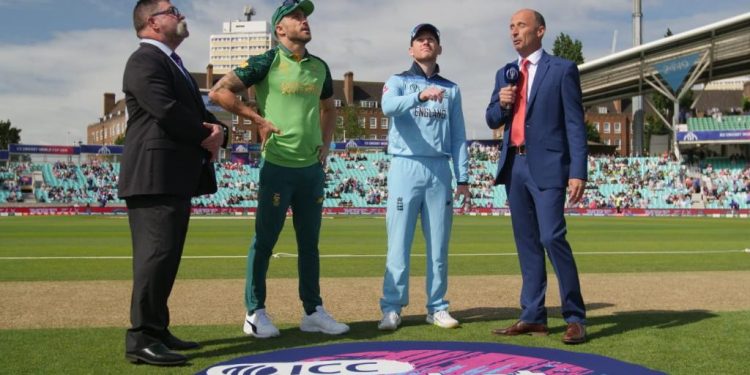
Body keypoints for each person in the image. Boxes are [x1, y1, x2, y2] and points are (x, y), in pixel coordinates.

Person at [209, 0, 349, 338]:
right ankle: (255, 312)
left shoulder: (319, 67)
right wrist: (257, 119)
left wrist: (326, 147)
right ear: (279, 29)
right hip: (277, 166)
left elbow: (329, 109)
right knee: (265, 240)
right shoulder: (266, 60)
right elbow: (219, 92)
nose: (304, 21)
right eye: (296, 16)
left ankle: (313, 311)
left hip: (311, 171)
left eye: (306, 16)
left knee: (310, 243)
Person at [120, 0, 227, 366]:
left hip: (172, 175)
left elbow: (199, 114)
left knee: (167, 257)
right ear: (152, 22)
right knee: (155, 256)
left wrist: (219, 131)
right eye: (172, 10)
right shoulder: (144, 60)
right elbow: (165, 109)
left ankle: (157, 329)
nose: (180, 15)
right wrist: (205, 134)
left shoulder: (172, 63)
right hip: (153, 176)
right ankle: (141, 338)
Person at [485, 8, 588, 344]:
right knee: (526, 243)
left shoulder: (562, 69)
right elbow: (490, 119)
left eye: (521, 26)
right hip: (515, 166)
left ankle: (574, 316)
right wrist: (501, 103)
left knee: (551, 238)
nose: (514, 32)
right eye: (511, 27)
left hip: (549, 166)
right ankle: (533, 316)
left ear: (540, 31)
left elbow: (575, 123)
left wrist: (578, 171)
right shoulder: (505, 73)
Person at [377, 23, 470, 331]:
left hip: (439, 170)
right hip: (406, 165)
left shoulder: (452, 88)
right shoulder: (399, 80)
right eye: (420, 40)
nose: (426, 43)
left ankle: (438, 306)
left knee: (439, 246)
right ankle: (392, 307)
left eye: (431, 39)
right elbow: (387, 107)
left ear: (439, 48)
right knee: (399, 243)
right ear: (411, 49)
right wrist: (419, 97)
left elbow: (458, 136)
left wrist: (464, 179)